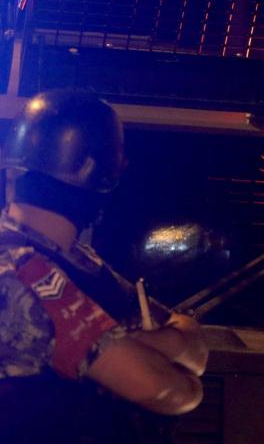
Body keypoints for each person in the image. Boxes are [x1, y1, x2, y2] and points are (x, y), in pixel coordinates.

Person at [0, 90, 209, 443]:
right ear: (103, 174)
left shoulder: (81, 260)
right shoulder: (17, 272)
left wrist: (134, 346)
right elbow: (170, 390)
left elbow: (191, 341)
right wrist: (161, 349)